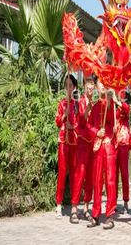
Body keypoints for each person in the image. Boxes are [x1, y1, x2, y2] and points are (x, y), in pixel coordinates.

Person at [87, 81, 116, 229]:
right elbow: (89, 125)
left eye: (105, 83)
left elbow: (115, 122)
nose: (102, 86)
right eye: (100, 83)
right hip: (98, 146)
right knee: (97, 180)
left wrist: (112, 99)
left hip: (109, 145)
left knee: (110, 181)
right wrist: (96, 132)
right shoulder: (95, 107)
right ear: (97, 87)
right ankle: (96, 214)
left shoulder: (110, 105)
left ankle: (110, 215)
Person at [70, 74, 97, 224]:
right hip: (82, 144)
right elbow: (81, 119)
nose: (90, 86)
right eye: (88, 84)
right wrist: (87, 109)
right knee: (79, 175)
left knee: (90, 178)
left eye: (92, 84)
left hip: (93, 145)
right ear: (84, 86)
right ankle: (74, 208)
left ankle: (86, 207)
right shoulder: (80, 102)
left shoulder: (97, 103)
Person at [55, 74, 79, 219]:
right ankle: (58, 205)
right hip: (63, 141)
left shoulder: (77, 103)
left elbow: (81, 121)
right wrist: (64, 116)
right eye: (66, 86)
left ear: (75, 87)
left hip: (75, 141)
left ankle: (74, 206)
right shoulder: (62, 103)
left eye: (71, 86)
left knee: (75, 175)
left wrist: (73, 125)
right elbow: (57, 121)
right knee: (62, 174)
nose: (68, 89)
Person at [114, 90, 131, 213]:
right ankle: (113, 201)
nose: (121, 99)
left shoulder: (125, 108)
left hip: (124, 143)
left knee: (124, 174)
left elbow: (126, 108)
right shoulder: (114, 109)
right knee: (114, 175)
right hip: (114, 144)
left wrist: (118, 102)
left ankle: (125, 201)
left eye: (122, 97)